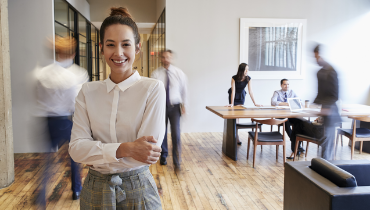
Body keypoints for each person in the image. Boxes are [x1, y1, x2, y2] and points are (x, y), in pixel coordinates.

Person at [69, 7, 165, 209]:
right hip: (95, 189)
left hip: (138, 187)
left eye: (126, 45)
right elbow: (77, 150)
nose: (118, 53)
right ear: (101, 47)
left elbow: (148, 152)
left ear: (137, 48)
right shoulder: (87, 91)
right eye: (111, 45)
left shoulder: (152, 88)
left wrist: (97, 152)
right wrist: (126, 148)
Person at [34, 36, 88, 204]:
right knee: (74, 157)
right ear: (72, 53)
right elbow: (76, 102)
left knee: (47, 160)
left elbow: (37, 97)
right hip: (66, 120)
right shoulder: (77, 75)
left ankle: (42, 196)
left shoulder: (41, 73)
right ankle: (76, 190)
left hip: (48, 121)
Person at [290, 44, 340, 160]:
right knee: (298, 123)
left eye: (317, 57)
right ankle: (297, 152)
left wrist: (325, 109)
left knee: (326, 149)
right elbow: (320, 94)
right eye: (315, 57)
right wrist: (313, 106)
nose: (316, 60)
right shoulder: (319, 73)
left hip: (330, 116)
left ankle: (327, 170)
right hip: (322, 116)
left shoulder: (331, 72)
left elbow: (334, 96)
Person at [151, 49, 188, 171]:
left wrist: (184, 105)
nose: (166, 59)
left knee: (176, 134)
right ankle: (164, 156)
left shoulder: (179, 73)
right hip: (161, 107)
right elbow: (152, 92)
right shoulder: (156, 74)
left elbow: (184, 90)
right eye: (163, 57)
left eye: (168, 57)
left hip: (175, 107)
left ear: (171, 58)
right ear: (161, 59)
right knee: (162, 132)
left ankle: (177, 161)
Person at [226, 63, 262, 145]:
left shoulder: (248, 78)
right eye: (245, 69)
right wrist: (231, 103)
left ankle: (236, 135)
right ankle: (236, 136)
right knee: (234, 116)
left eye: (248, 69)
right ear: (241, 70)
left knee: (238, 115)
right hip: (233, 96)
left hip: (241, 96)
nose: (247, 71)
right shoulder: (234, 78)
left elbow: (250, 91)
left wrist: (255, 103)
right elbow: (233, 91)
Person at [271, 79, 303, 153]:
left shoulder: (292, 92)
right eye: (285, 84)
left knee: (300, 121)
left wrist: (295, 102)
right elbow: (273, 102)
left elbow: (299, 100)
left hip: (291, 114)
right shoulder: (277, 92)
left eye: (288, 84)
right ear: (281, 85)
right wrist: (286, 103)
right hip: (280, 115)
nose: (287, 86)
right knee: (286, 122)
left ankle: (296, 144)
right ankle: (295, 144)